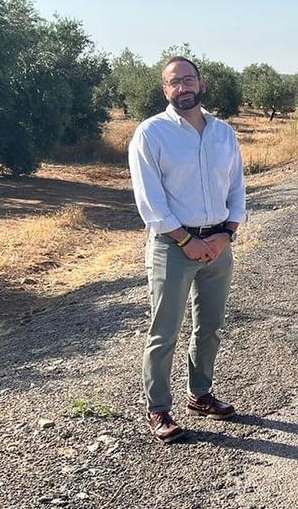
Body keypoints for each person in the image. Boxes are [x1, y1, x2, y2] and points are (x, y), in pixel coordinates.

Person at [128, 56, 248, 442]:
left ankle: (200, 394)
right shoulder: (151, 134)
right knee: (164, 332)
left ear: (202, 84)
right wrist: (186, 241)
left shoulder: (223, 132)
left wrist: (226, 234)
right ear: (165, 90)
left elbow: (236, 188)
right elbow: (150, 200)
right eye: (174, 82)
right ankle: (159, 409)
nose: (183, 87)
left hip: (218, 244)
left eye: (188, 80)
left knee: (210, 326)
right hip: (172, 247)